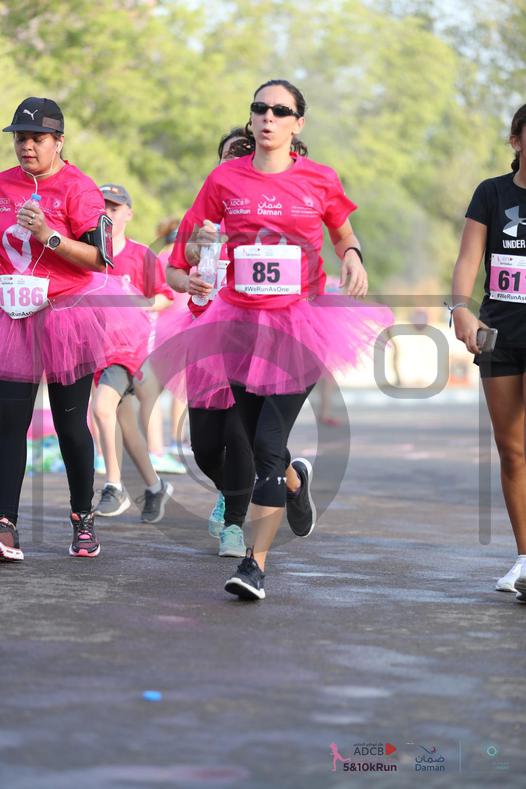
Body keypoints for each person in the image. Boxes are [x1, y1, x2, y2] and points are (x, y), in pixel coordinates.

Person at [154, 81, 392, 599]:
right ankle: (294, 482)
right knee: (259, 439)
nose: (268, 117)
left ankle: (253, 565)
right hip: (238, 326)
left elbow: (342, 232)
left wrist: (352, 256)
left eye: (280, 111)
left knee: (264, 445)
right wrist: (198, 252)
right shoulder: (224, 178)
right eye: (260, 108)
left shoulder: (320, 179)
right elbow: (186, 249)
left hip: (299, 326)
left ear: (297, 123)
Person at [0, 97, 147, 561]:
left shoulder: (79, 188)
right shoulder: (3, 184)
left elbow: (100, 259)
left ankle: (83, 518)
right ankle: (5, 526)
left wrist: (49, 234)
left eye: (36, 138)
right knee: (9, 423)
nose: (26, 146)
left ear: (58, 141)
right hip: (12, 316)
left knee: (70, 424)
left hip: (66, 315)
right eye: (20, 138)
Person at [164, 127, 257, 558]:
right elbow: (173, 270)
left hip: (253, 338)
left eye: (244, 153)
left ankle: (234, 525)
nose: (234, 160)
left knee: (241, 436)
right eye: (227, 155)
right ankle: (239, 487)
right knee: (203, 449)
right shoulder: (200, 216)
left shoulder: (266, 215)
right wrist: (188, 280)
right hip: (205, 338)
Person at [450, 103, 526, 604]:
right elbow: (468, 260)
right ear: (516, 140)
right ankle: (525, 557)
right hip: (502, 334)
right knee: (513, 450)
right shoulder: (492, 193)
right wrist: (460, 308)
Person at [91, 183, 175, 523]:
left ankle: (114, 486)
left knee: (102, 407)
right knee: (125, 425)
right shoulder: (88, 254)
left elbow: (164, 295)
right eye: (102, 208)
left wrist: (136, 304)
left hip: (128, 350)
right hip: (95, 349)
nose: (107, 214)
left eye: (114, 208)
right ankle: (155, 486)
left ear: (128, 213)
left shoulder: (141, 255)